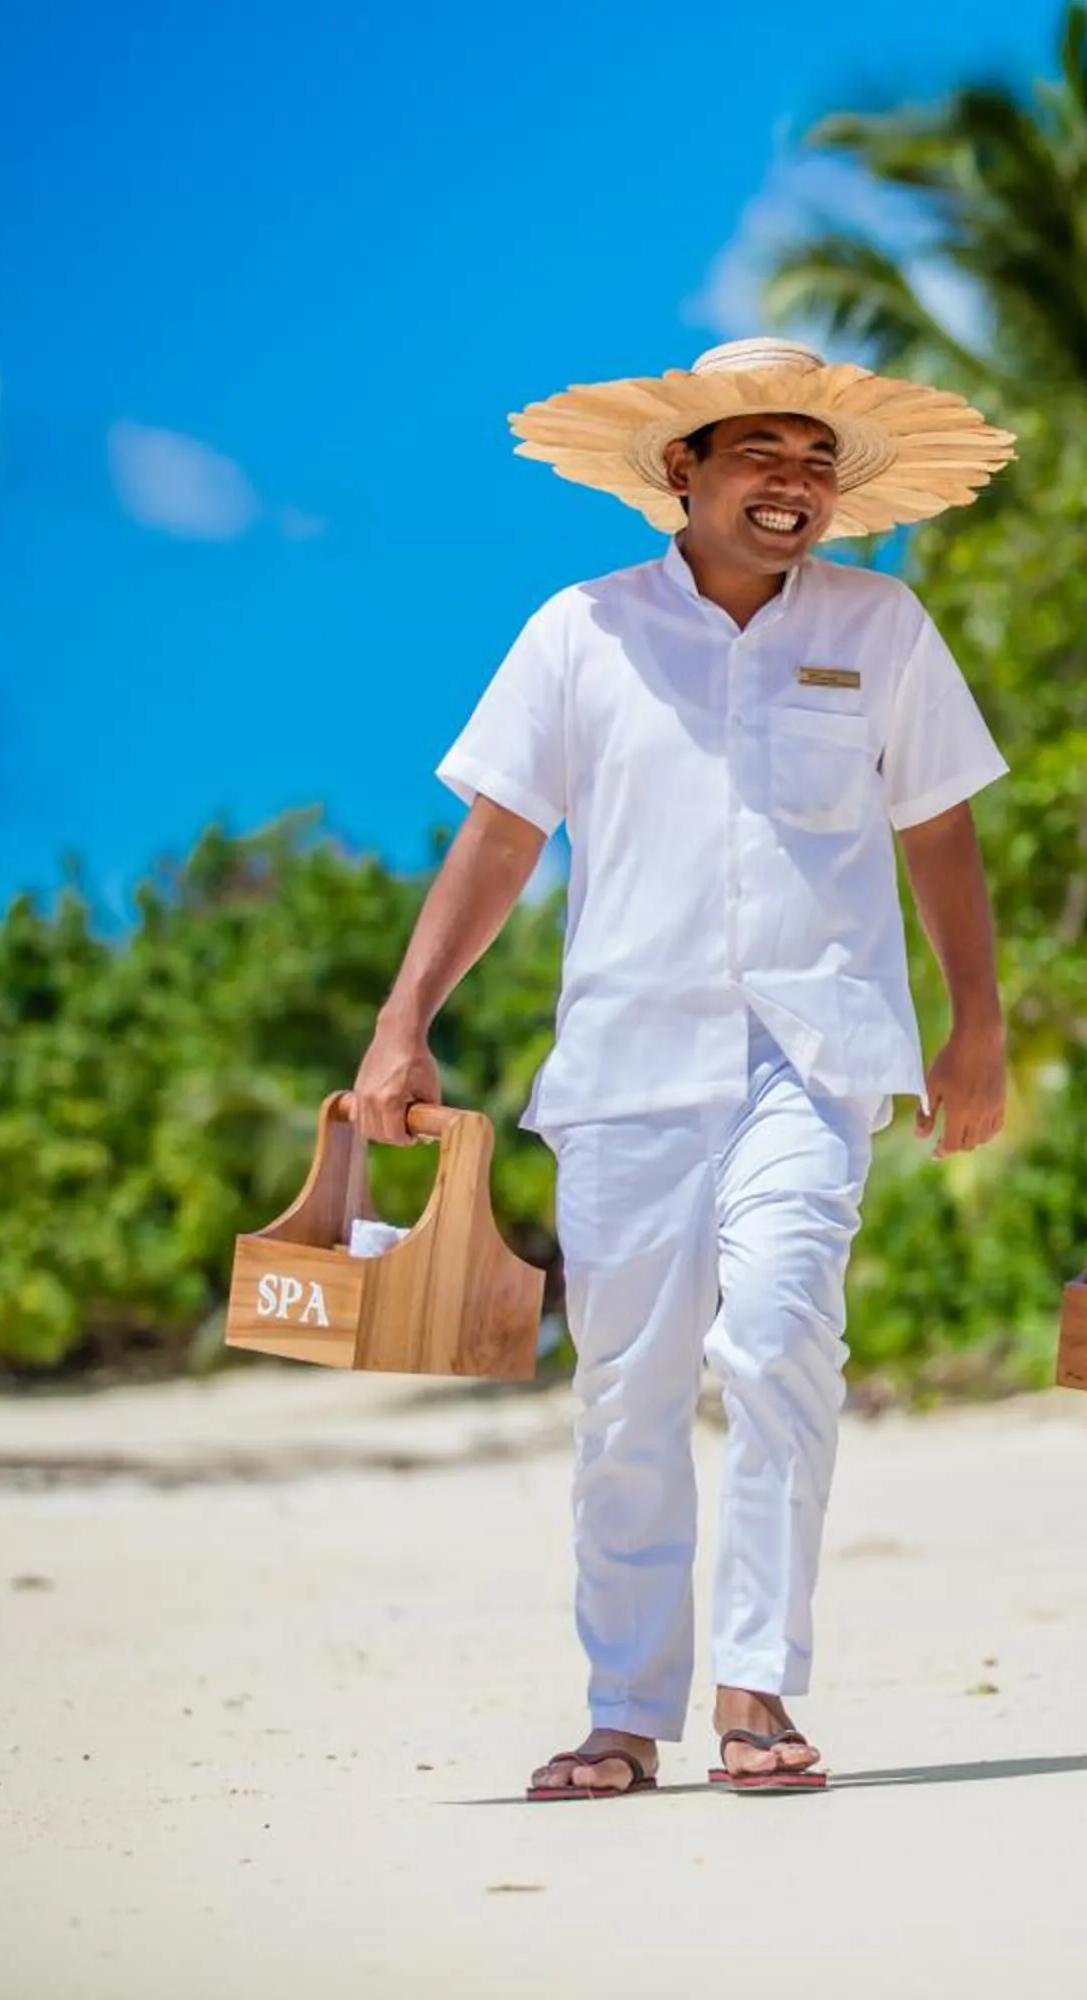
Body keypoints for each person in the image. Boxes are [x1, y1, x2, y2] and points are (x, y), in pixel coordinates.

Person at [350, 338, 1018, 1799]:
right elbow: (503, 838)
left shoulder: (883, 625)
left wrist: (979, 1023)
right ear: (684, 472)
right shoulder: (579, 632)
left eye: (818, 463)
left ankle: (757, 1690)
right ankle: (621, 1709)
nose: (795, 486)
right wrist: (406, 1019)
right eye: (763, 456)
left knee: (783, 1342)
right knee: (626, 1395)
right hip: (628, 1063)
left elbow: (940, 834)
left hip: (817, 1046)